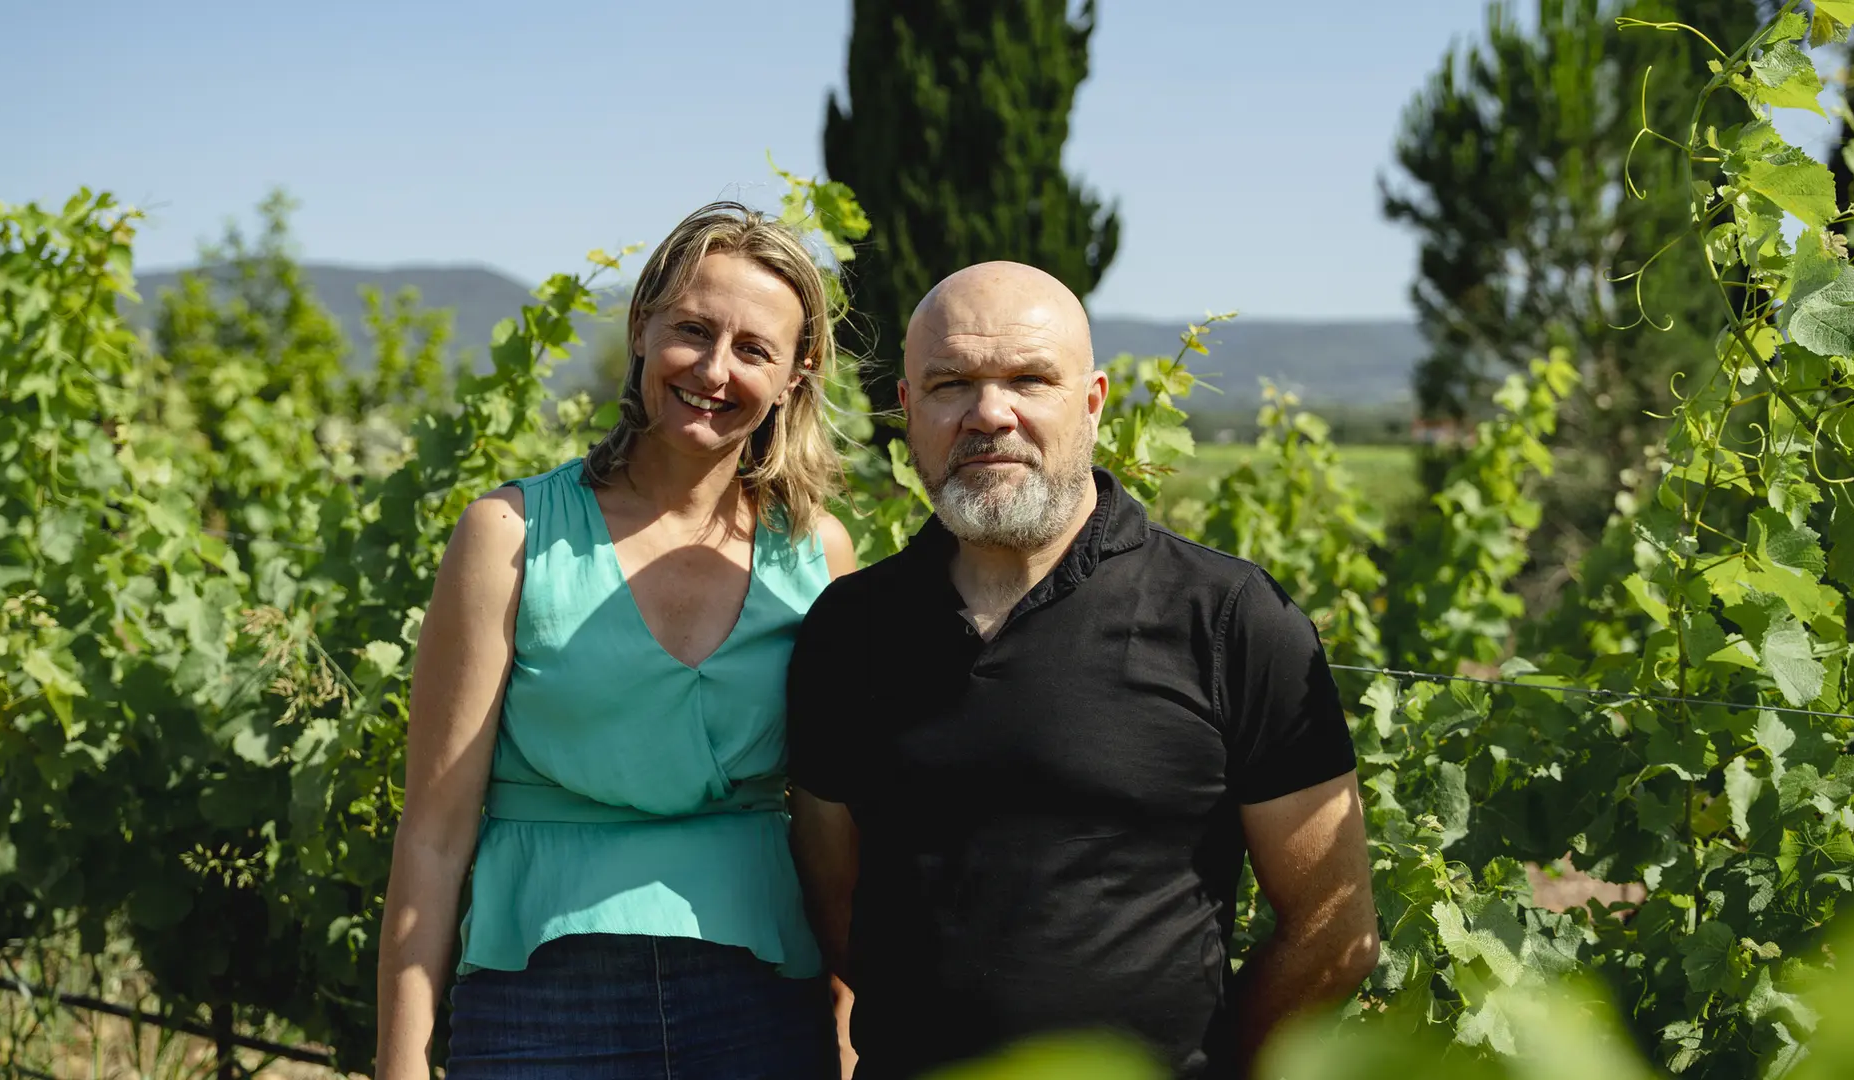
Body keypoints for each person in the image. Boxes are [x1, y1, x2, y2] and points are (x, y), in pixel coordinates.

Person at [785, 261, 1380, 1080]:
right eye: (952, 383)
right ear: (907, 410)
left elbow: (1334, 927)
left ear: (1093, 404)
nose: (990, 413)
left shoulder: (1230, 620)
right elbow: (835, 903)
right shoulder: (848, 633)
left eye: (1030, 379)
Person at [374, 201, 855, 1080]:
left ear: (796, 373)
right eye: (692, 330)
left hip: (761, 1002)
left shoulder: (817, 552)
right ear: (640, 330)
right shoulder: (508, 535)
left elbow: (830, 827)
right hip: (540, 998)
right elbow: (435, 835)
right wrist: (400, 1067)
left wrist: (853, 1034)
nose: (714, 369)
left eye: (754, 349)